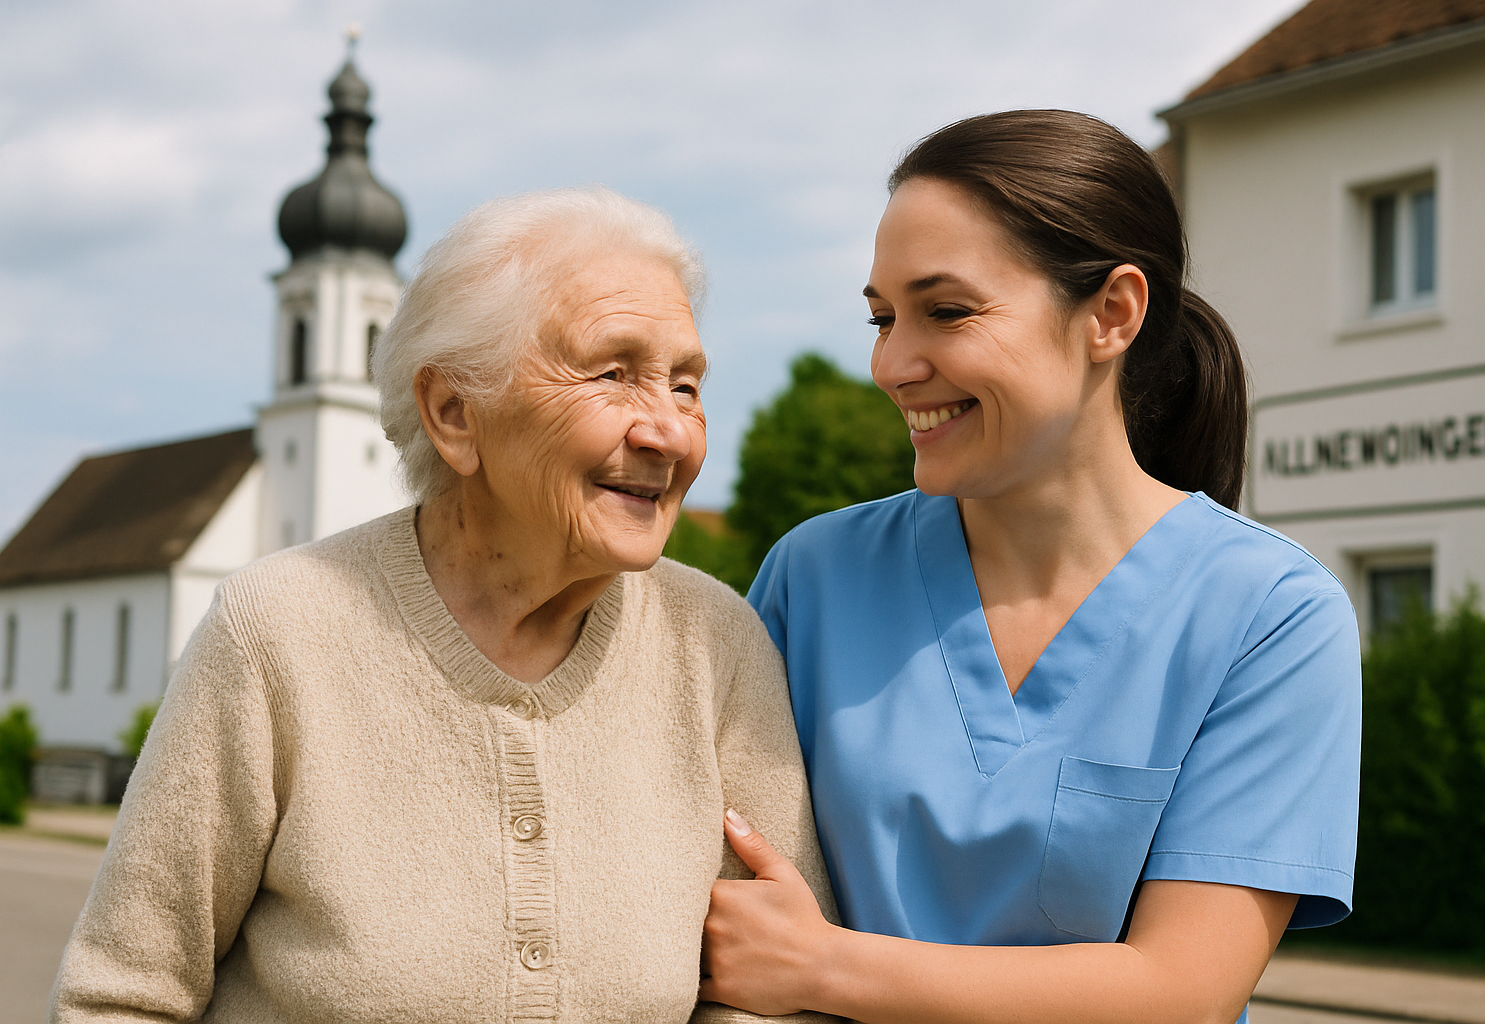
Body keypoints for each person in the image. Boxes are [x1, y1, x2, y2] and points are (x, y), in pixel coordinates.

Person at [51, 188, 838, 1024]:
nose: (671, 433)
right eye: (613, 374)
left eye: (685, 385)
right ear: (455, 413)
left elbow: (780, 994)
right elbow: (121, 998)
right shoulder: (277, 630)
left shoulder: (718, 646)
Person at [697, 110, 1362, 1024]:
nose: (892, 363)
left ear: (1112, 314)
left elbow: (1183, 992)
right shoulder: (812, 578)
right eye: (882, 318)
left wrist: (825, 970)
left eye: (946, 311)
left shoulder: (1271, 615)